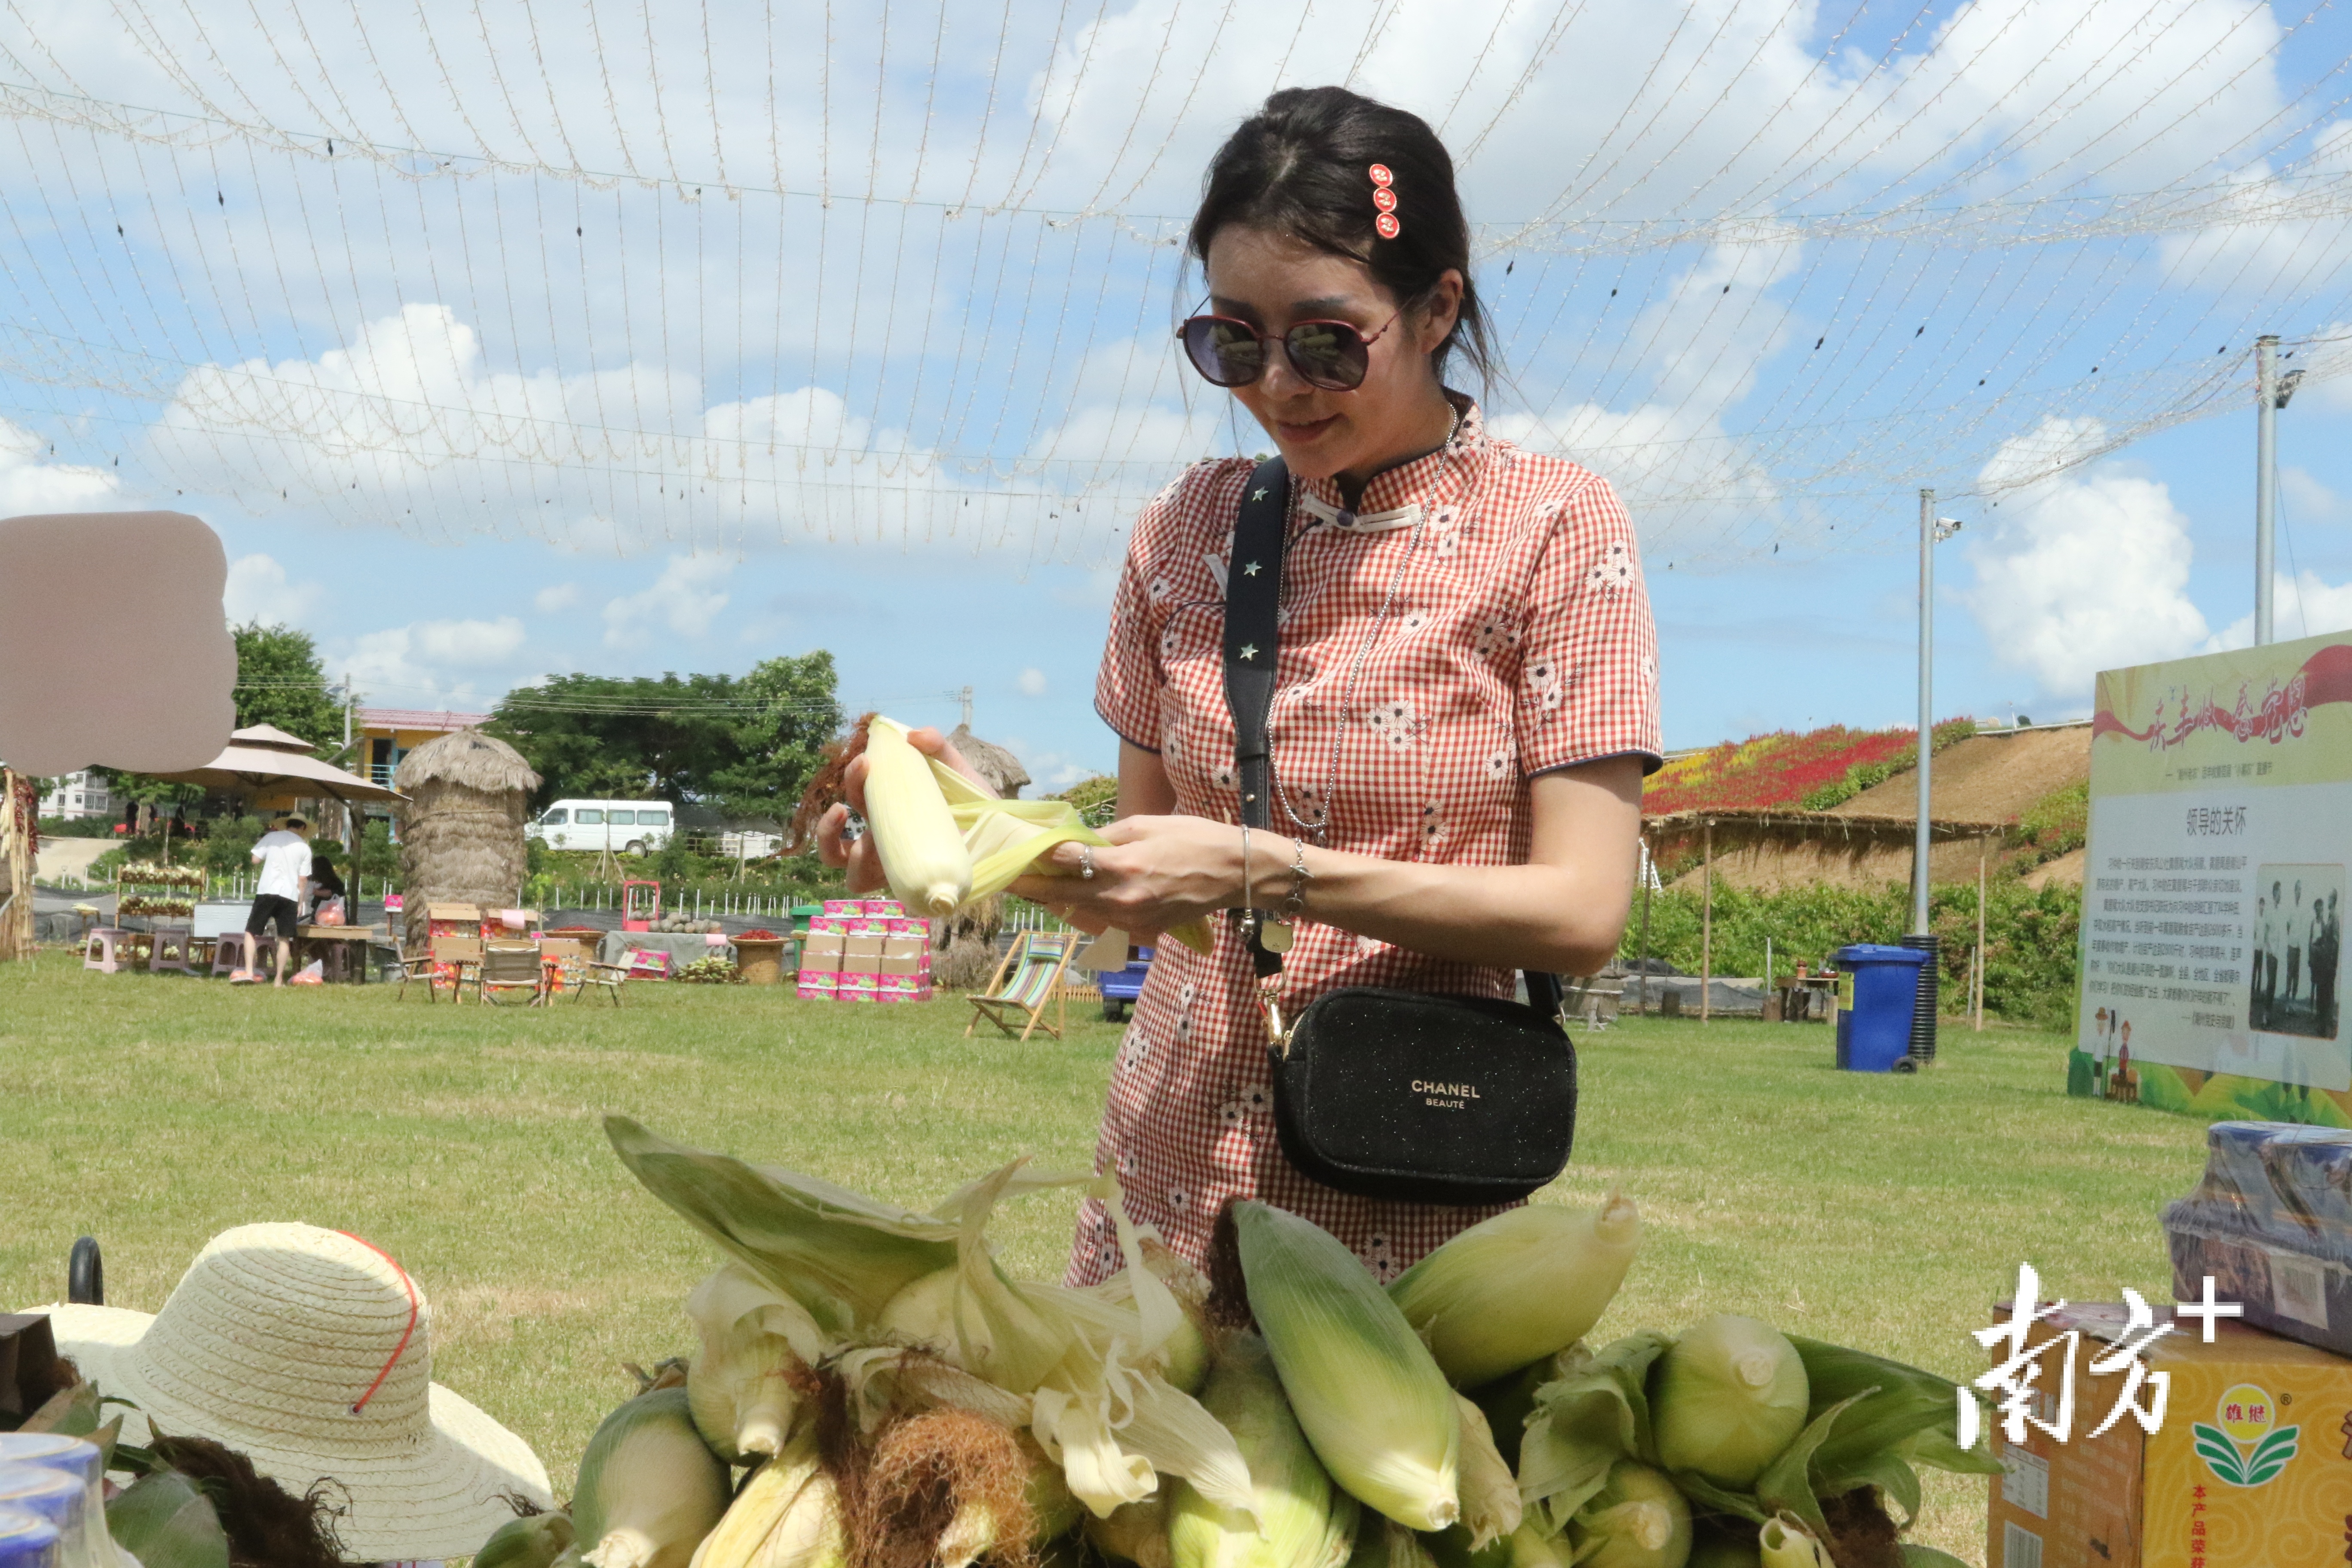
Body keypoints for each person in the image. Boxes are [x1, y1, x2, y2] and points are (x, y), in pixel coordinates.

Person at [820, 86, 1657, 1286]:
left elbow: (1580, 914)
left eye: (1325, 341)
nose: (1278, 386)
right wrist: (977, 836)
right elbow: (1137, 894)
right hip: (1166, 1176)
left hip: (1411, 1197)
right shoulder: (1186, 529)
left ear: (1437, 309)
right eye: (1233, 342)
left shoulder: (1553, 528)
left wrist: (1265, 870)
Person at [237, 815, 313, 987]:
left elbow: (255, 859)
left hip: (267, 890)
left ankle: (249, 972)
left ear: (286, 825)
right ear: (303, 828)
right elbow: (303, 879)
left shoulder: (272, 837)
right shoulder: (305, 848)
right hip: (289, 895)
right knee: (284, 938)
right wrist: (301, 902)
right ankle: (279, 979)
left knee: (251, 932)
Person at [305, 846, 348, 923]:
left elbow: (331, 893)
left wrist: (312, 890)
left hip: (332, 918)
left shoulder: (335, 883)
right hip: (322, 918)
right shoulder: (334, 882)